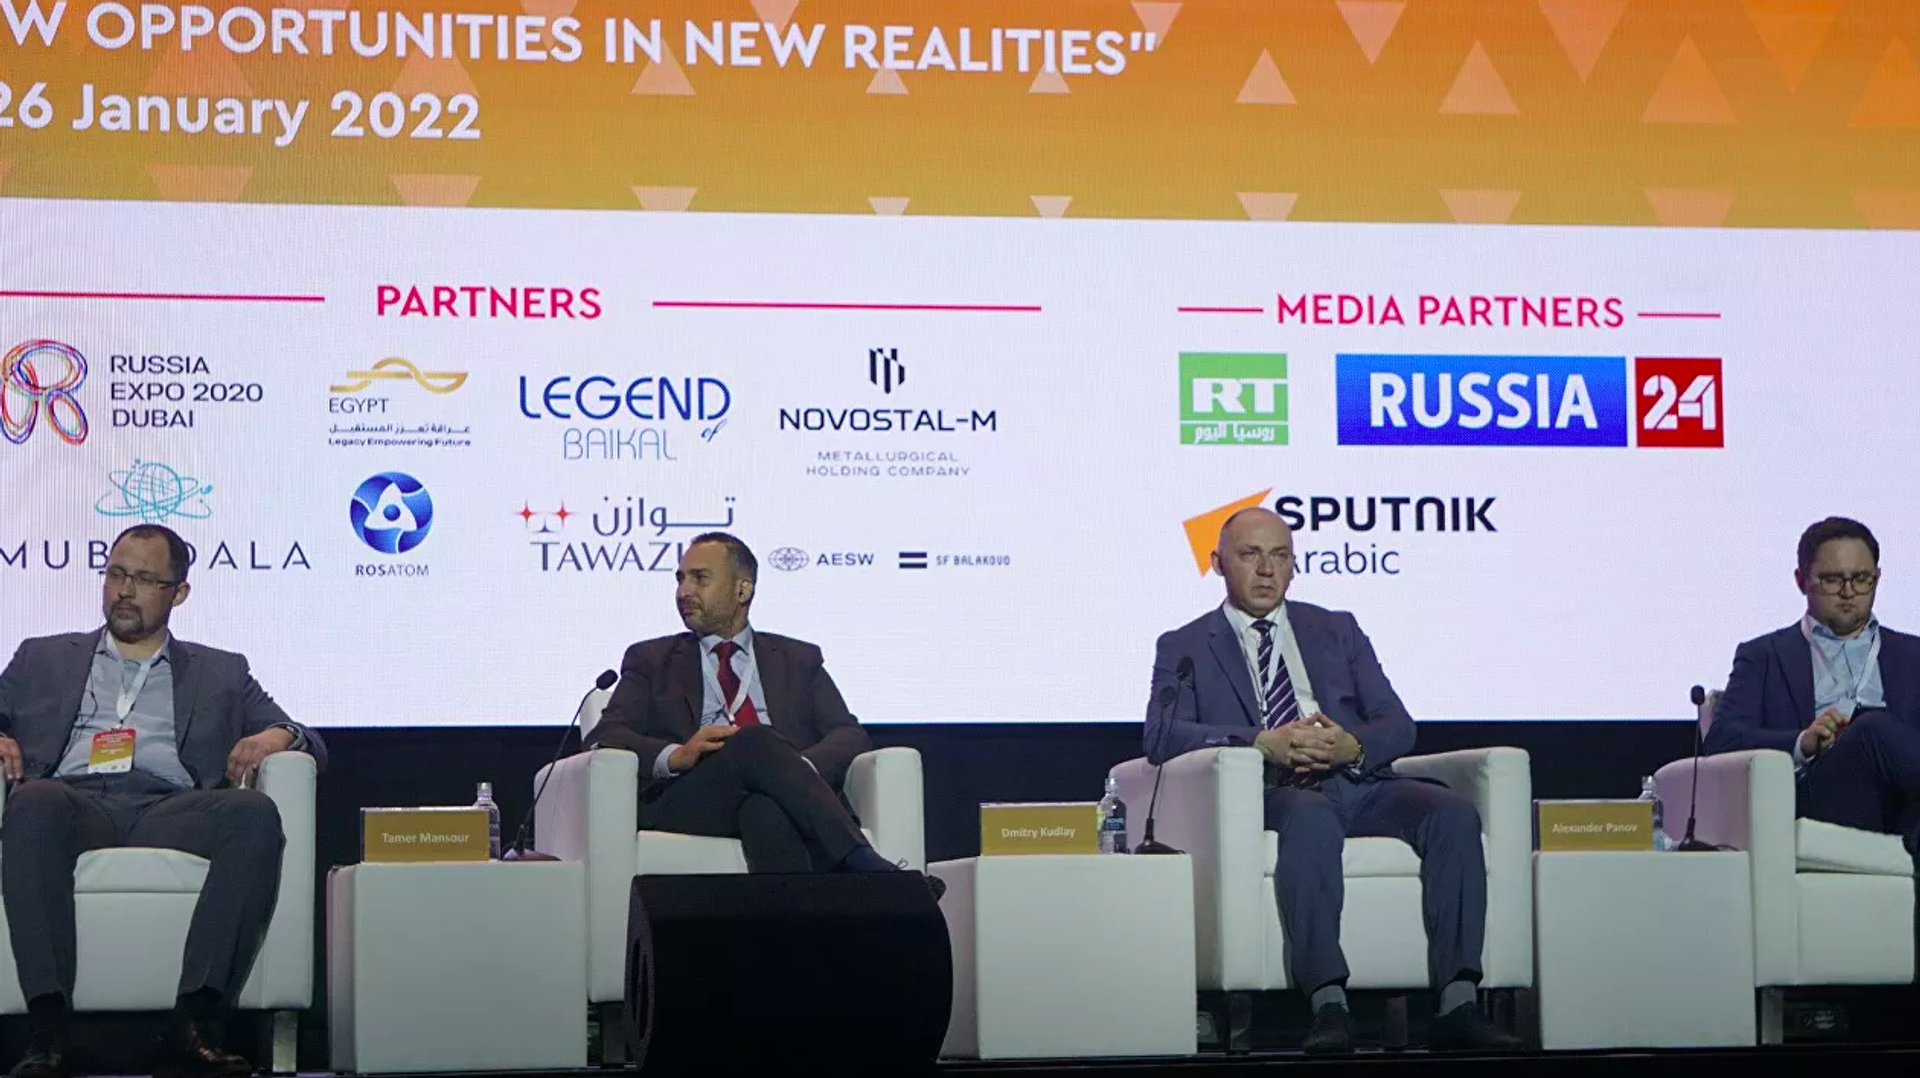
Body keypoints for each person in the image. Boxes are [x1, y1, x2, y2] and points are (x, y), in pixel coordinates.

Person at [1144, 507, 1520, 1054]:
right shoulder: (1185, 645)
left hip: (1359, 783)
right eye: (1250, 555)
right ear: (1217, 563)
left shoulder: (1336, 629)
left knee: (1453, 815)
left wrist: (1353, 746)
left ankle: (1458, 1004)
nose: (1267, 570)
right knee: (1312, 817)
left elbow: (1398, 723)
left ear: (1295, 565)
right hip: (1274, 791)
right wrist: (1260, 741)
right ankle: (1328, 1006)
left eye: (1280, 556)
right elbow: (1162, 735)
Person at [0, 524, 325, 1078]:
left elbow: (307, 738)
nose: (125, 591)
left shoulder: (221, 671)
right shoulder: (42, 658)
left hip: (168, 808)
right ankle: (47, 1029)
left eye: (145, 579)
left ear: (179, 593)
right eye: (117, 574)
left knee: (253, 814)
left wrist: (277, 736)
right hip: (73, 801)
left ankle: (194, 1022)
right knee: (32, 803)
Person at [587, 533, 932, 890]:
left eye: (700, 578)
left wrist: (789, 770)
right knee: (754, 741)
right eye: (680, 579)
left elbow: (848, 735)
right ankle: (869, 867)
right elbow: (607, 735)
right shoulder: (651, 659)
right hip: (693, 796)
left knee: (766, 810)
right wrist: (678, 755)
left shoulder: (798, 659)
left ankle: (797, 926)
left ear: (742, 590)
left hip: (773, 797)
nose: (683, 591)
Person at [1707, 517, 1920, 845]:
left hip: (1902, 804)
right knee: (1872, 729)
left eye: (1861, 579)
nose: (1848, 592)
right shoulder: (1764, 655)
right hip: (1818, 797)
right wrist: (1802, 742)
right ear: (1801, 580)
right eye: (1832, 579)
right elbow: (1721, 740)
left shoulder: (1913, 654)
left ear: (1877, 578)